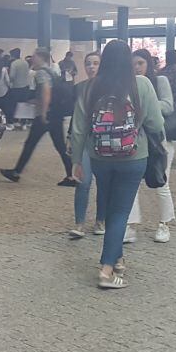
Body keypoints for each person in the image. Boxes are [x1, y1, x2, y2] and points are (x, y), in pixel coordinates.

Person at [71, 40, 164, 290]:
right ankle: (107, 269)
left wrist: (76, 161)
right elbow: (155, 123)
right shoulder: (141, 84)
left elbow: (78, 130)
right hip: (133, 156)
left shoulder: (89, 87)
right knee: (120, 211)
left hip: (100, 158)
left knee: (112, 206)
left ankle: (118, 258)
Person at [0, 49, 76, 186]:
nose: (32, 58)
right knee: (59, 146)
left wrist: (43, 112)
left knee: (30, 143)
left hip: (46, 115)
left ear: (41, 57)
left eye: (34, 56)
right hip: (56, 114)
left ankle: (16, 172)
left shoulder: (41, 73)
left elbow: (46, 92)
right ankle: (71, 176)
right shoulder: (52, 72)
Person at [124, 50, 176, 245]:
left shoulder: (159, 81)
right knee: (131, 183)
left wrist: (146, 104)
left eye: (140, 63)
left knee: (161, 181)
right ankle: (130, 225)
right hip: (136, 140)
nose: (137, 67)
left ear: (148, 64)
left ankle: (164, 223)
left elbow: (168, 105)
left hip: (159, 140)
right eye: (133, 64)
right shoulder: (128, 84)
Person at [68, 52, 104, 239]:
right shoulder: (80, 88)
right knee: (84, 181)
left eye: (96, 63)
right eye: (88, 63)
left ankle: (101, 220)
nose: (91, 67)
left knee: (104, 184)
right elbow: (77, 117)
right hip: (85, 141)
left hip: (105, 140)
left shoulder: (109, 87)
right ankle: (79, 223)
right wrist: (71, 139)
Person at [6, 48, 32, 126]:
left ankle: (15, 121)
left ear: (13, 55)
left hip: (16, 87)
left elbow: (12, 76)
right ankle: (23, 123)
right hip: (26, 86)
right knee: (23, 105)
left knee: (14, 105)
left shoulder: (14, 64)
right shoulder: (25, 63)